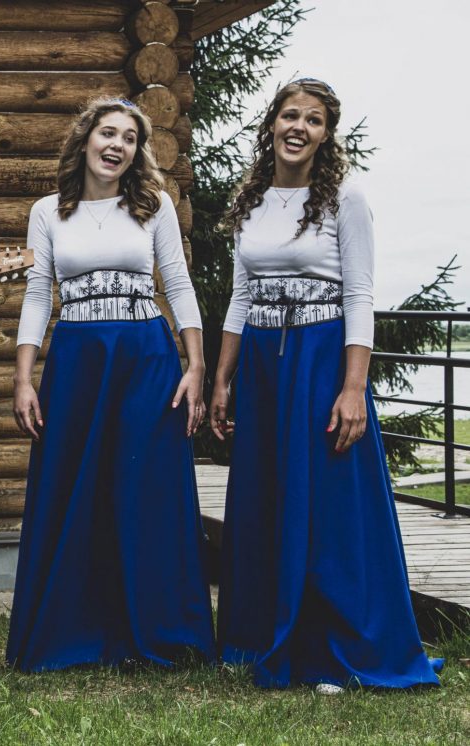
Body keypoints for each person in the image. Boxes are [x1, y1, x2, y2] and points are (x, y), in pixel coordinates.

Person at [210, 78, 441, 692]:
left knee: (326, 502)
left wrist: (353, 387)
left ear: (326, 135)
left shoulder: (346, 197)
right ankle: (257, 634)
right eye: (291, 115)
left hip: (319, 362)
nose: (299, 128)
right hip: (263, 364)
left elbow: (360, 295)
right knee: (265, 495)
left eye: (314, 120)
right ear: (272, 123)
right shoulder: (251, 201)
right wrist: (223, 378)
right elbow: (240, 296)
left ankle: (332, 643)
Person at [6, 98, 214, 672]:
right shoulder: (48, 211)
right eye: (108, 133)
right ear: (86, 139)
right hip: (77, 359)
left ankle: (158, 629)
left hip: (145, 354)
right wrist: (23, 378)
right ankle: (75, 629)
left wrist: (195, 366)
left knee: (144, 485)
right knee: (77, 485)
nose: (117, 145)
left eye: (129, 137)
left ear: (137, 151)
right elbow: (38, 296)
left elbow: (178, 284)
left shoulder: (154, 205)